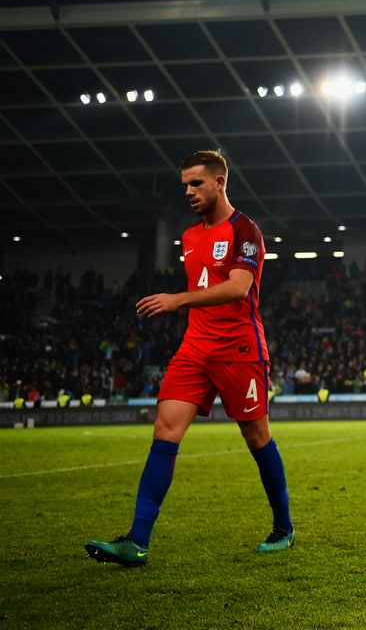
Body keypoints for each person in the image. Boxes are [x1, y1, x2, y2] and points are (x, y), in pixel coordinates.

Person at [85, 149, 294, 565]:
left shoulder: (246, 230)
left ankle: (283, 527)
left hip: (239, 348)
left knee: (257, 438)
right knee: (165, 431)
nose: (189, 192)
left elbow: (238, 287)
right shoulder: (191, 236)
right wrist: (186, 306)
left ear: (220, 182)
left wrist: (178, 299)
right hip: (196, 347)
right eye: (185, 185)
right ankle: (137, 542)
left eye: (196, 183)